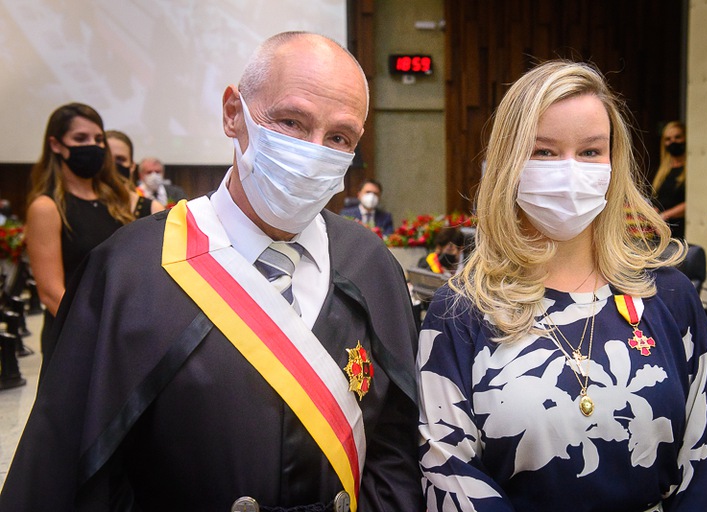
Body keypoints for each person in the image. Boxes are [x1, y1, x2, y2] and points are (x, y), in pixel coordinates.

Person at [1, 32, 422, 511]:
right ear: (233, 113)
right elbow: (74, 470)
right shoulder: (128, 273)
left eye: (339, 138)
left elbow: (397, 448)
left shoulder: (371, 267)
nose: (313, 153)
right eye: (291, 122)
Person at [417, 61, 707, 511]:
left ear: (613, 161)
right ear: (508, 162)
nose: (570, 171)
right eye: (544, 152)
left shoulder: (668, 295)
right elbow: (449, 468)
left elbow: (706, 452)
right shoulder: (461, 311)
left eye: (590, 151)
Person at [23, 103, 137, 379]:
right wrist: (98, 331)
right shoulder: (47, 207)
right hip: (75, 339)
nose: (93, 146)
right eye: (80, 138)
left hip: (120, 335)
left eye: (98, 139)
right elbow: (51, 293)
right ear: (56, 145)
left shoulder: (117, 202)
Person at [106, 130, 164, 218]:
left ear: (132, 166)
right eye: (107, 159)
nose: (112, 166)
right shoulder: (85, 205)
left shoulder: (153, 209)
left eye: (120, 159)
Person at [651, 121, 686, 239]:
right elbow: (657, 199)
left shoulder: (690, 170)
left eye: (677, 137)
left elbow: (693, 202)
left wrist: (665, 215)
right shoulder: (663, 170)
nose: (673, 142)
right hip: (660, 230)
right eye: (668, 139)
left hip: (681, 227)